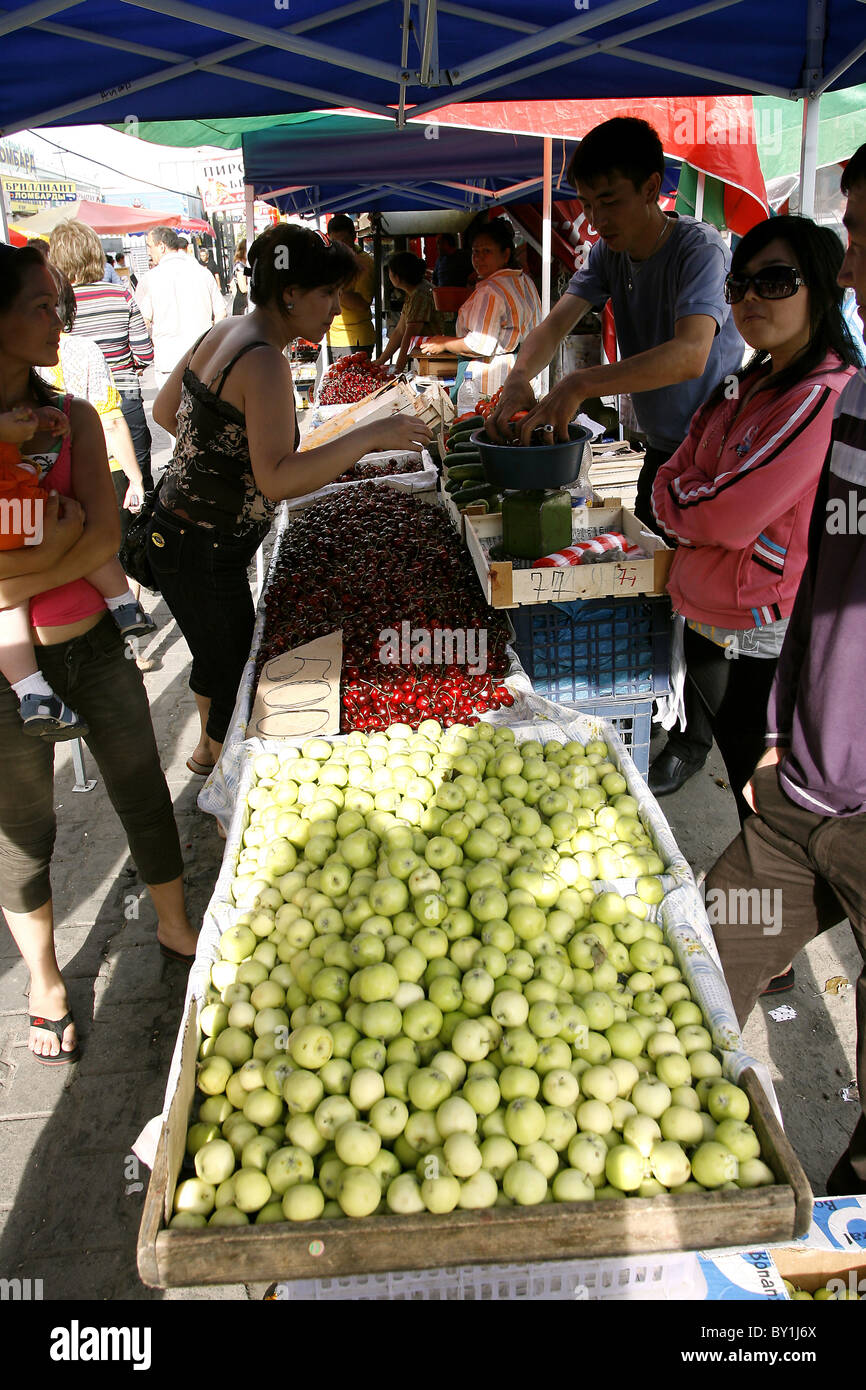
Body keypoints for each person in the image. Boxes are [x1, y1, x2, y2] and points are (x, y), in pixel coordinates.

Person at [485, 117, 744, 796]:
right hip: (664, 450)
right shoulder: (607, 256)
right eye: (589, 204)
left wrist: (578, 383)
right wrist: (519, 375)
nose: (597, 220)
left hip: (720, 464)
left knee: (709, 610)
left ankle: (696, 740)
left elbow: (692, 352)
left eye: (611, 201)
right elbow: (556, 323)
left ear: (653, 188)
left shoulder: (699, 251)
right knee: (659, 587)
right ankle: (659, 705)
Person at [705, 147, 866, 1195]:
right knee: (700, 958)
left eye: (859, 237)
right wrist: (775, 729)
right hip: (799, 790)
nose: (850, 268)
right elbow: (824, 574)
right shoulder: (858, 406)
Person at [0, 244, 199, 1065]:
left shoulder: (74, 418)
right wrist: (67, 544)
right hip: (9, 671)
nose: (62, 318)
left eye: (60, 303)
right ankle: (45, 980)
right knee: (22, 833)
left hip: (91, 647)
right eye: (42, 306)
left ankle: (175, 921)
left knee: (141, 791)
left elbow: (108, 536)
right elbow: (81, 537)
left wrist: (14, 575)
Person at [147, 224, 432, 778]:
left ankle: (205, 756)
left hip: (172, 531)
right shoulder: (266, 361)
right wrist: (370, 436)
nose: (334, 307)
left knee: (212, 650)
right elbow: (277, 481)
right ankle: (227, 788)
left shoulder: (223, 330)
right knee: (234, 671)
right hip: (207, 551)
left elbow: (165, 412)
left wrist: (221, 455)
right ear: (288, 295)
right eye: (326, 294)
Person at [651, 215, 858, 828]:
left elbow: (726, 515)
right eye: (740, 286)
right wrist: (688, 498)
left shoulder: (820, 397)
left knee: (757, 780)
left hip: (759, 624)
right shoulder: (745, 385)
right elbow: (671, 472)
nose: (749, 300)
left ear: (822, 287)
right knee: (738, 761)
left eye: (776, 281)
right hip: (710, 611)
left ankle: (770, 906)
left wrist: (687, 500)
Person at [48, 219, 154, 494]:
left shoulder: (57, 303)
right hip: (125, 398)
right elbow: (144, 352)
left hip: (74, 404)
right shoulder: (121, 295)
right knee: (137, 483)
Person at [419, 218, 543, 414]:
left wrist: (444, 343)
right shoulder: (524, 280)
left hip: (489, 387)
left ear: (505, 254)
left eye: (487, 251)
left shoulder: (490, 290)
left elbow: (481, 344)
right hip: (524, 379)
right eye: (475, 251)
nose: (478, 258)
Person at [134, 226, 227, 389]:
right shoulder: (202, 273)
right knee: (202, 411)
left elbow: (143, 322)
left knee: (170, 413)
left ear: (161, 246)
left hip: (169, 362)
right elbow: (221, 313)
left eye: (149, 246)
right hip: (202, 358)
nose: (149, 252)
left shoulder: (150, 279)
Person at [370, 252, 442, 373]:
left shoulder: (420, 295)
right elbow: (399, 331)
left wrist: (398, 369)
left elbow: (409, 336)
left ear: (397, 277)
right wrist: (380, 361)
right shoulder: (414, 292)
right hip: (425, 355)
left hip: (432, 357)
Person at [324, 214, 376, 359]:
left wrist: (332, 289)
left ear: (353, 236)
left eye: (344, 241)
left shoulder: (365, 263)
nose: (340, 246)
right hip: (332, 338)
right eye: (335, 241)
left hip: (354, 340)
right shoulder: (331, 261)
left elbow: (362, 303)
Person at [231, 239, 249, 317]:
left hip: (242, 301)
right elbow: (243, 288)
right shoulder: (240, 265)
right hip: (242, 302)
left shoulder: (243, 264)